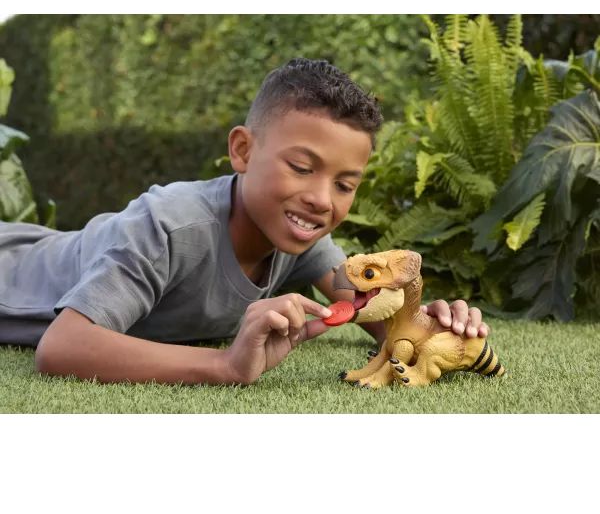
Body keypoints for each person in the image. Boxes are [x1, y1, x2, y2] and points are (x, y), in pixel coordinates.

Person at [0, 58, 489, 385]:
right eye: (301, 167)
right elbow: (62, 347)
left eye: (344, 184)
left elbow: (368, 307)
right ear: (243, 151)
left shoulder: (303, 239)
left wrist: (433, 330)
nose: (321, 200)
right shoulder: (170, 226)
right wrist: (225, 365)